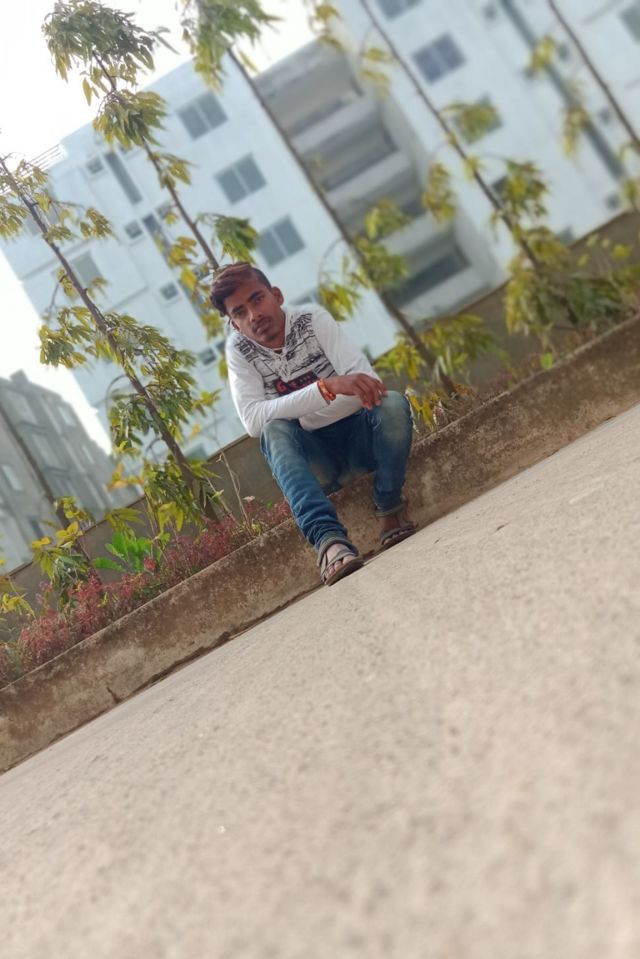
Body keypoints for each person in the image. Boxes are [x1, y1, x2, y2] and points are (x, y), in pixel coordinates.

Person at [211, 262, 416, 587]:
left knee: (391, 403)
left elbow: (368, 385)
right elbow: (253, 421)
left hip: (362, 440)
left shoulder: (311, 320)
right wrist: (327, 387)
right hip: (316, 461)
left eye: (257, 299)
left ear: (276, 295)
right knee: (274, 431)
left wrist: (299, 411)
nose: (253, 315)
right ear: (234, 324)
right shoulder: (239, 350)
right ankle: (329, 542)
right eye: (239, 312)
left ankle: (389, 507)